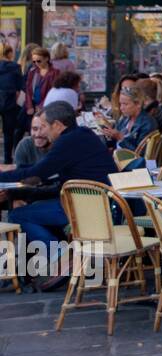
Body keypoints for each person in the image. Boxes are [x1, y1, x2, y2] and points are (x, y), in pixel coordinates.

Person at [0, 102, 118, 286]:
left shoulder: (66, 142)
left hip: (86, 209)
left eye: (45, 126)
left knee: (18, 215)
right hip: (99, 203)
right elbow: (48, 175)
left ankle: (62, 256)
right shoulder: (83, 135)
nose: (43, 132)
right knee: (33, 208)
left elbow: (37, 173)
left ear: (57, 125)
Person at [101, 86, 158, 153]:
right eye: (120, 104)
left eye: (125, 104)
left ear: (138, 104)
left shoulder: (148, 124)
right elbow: (114, 142)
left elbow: (140, 153)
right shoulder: (125, 118)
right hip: (117, 156)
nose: (121, 108)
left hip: (131, 161)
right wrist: (108, 134)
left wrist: (120, 138)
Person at [0, 43, 23, 164]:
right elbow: (20, 88)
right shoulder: (15, 67)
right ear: (9, 53)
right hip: (10, 103)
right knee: (8, 132)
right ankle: (8, 160)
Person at [22, 47, 55, 122]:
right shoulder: (32, 71)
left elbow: (53, 92)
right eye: (34, 61)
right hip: (33, 105)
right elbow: (28, 89)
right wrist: (29, 106)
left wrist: (41, 106)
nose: (36, 63)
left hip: (47, 106)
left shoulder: (55, 73)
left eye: (39, 61)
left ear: (46, 59)